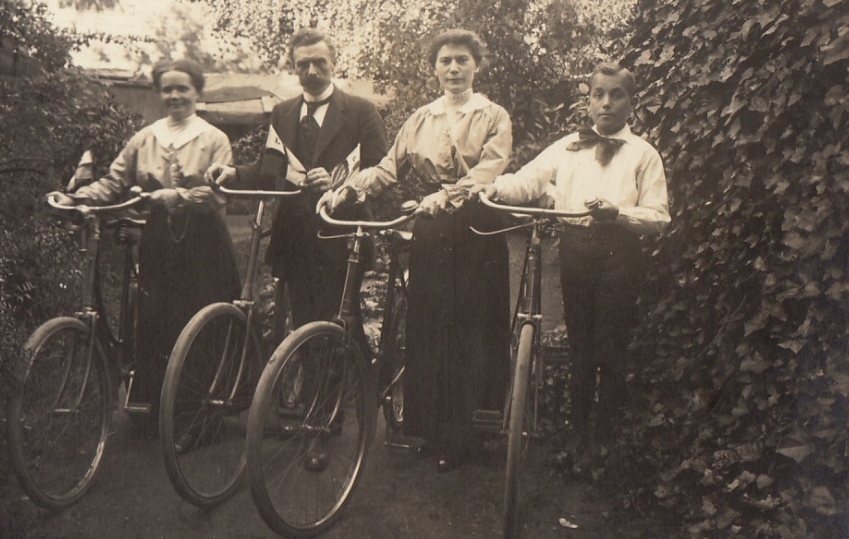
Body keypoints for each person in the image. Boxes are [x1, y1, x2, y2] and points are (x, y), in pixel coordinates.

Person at [321, 28, 513, 473]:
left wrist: (449, 196)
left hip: (476, 226)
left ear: (476, 65)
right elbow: (389, 168)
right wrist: (347, 190)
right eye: (445, 60)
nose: (453, 68)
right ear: (434, 67)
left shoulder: (493, 115)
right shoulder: (420, 118)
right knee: (429, 323)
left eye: (462, 60)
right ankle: (429, 429)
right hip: (430, 228)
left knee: (470, 326)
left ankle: (471, 434)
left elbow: (491, 167)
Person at [475, 61, 670, 471]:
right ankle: (578, 440)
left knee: (611, 349)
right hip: (576, 249)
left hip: (620, 254)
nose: (606, 103)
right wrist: (494, 186)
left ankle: (605, 445)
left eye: (617, 95)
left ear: (632, 104)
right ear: (588, 101)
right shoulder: (567, 147)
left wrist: (618, 213)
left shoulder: (643, 154)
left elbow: (659, 217)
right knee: (580, 347)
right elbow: (527, 179)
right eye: (598, 94)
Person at [209, 28, 387, 471]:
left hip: (340, 238)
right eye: (302, 64)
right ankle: (337, 398)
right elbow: (270, 171)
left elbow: (383, 174)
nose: (310, 71)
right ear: (294, 66)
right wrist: (233, 175)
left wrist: (342, 186)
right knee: (304, 330)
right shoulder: (283, 113)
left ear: (334, 63)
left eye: (319, 63)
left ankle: (322, 428)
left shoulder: (361, 112)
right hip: (294, 242)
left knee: (327, 332)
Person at [49, 58, 241, 420]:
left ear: (197, 92)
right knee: (155, 318)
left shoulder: (214, 138)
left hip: (204, 242)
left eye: (182, 88)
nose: (174, 96)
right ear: (158, 93)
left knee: (196, 320)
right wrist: (76, 198)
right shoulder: (146, 137)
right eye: (167, 89)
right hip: (159, 241)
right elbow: (113, 181)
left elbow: (218, 196)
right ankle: (157, 411)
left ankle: (196, 415)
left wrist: (180, 197)